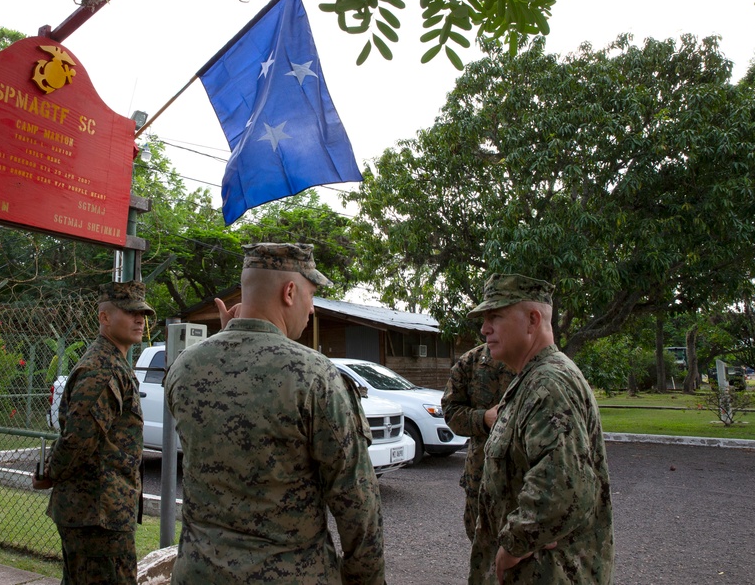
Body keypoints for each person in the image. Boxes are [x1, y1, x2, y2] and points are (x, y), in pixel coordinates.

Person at [165, 243, 386, 584]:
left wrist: (229, 335)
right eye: (311, 295)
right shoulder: (315, 376)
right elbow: (357, 502)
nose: (312, 308)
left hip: (198, 574)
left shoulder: (184, 367)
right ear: (289, 291)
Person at [466, 274, 614, 585]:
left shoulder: (549, 384)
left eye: (496, 316)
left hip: (548, 572)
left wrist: (515, 544)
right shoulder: (531, 378)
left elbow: (560, 486)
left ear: (533, 320)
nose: (484, 329)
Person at [32, 281, 154, 585]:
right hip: (97, 513)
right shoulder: (103, 369)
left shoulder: (113, 362)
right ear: (105, 318)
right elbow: (79, 439)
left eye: (143, 313)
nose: (140, 319)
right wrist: (52, 472)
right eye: (130, 312)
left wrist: (52, 471)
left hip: (100, 510)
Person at [441, 342, 515, 541]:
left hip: (524, 481)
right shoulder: (471, 361)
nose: (487, 327)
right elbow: (450, 410)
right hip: (480, 474)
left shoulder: (535, 362)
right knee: (480, 541)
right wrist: (483, 418)